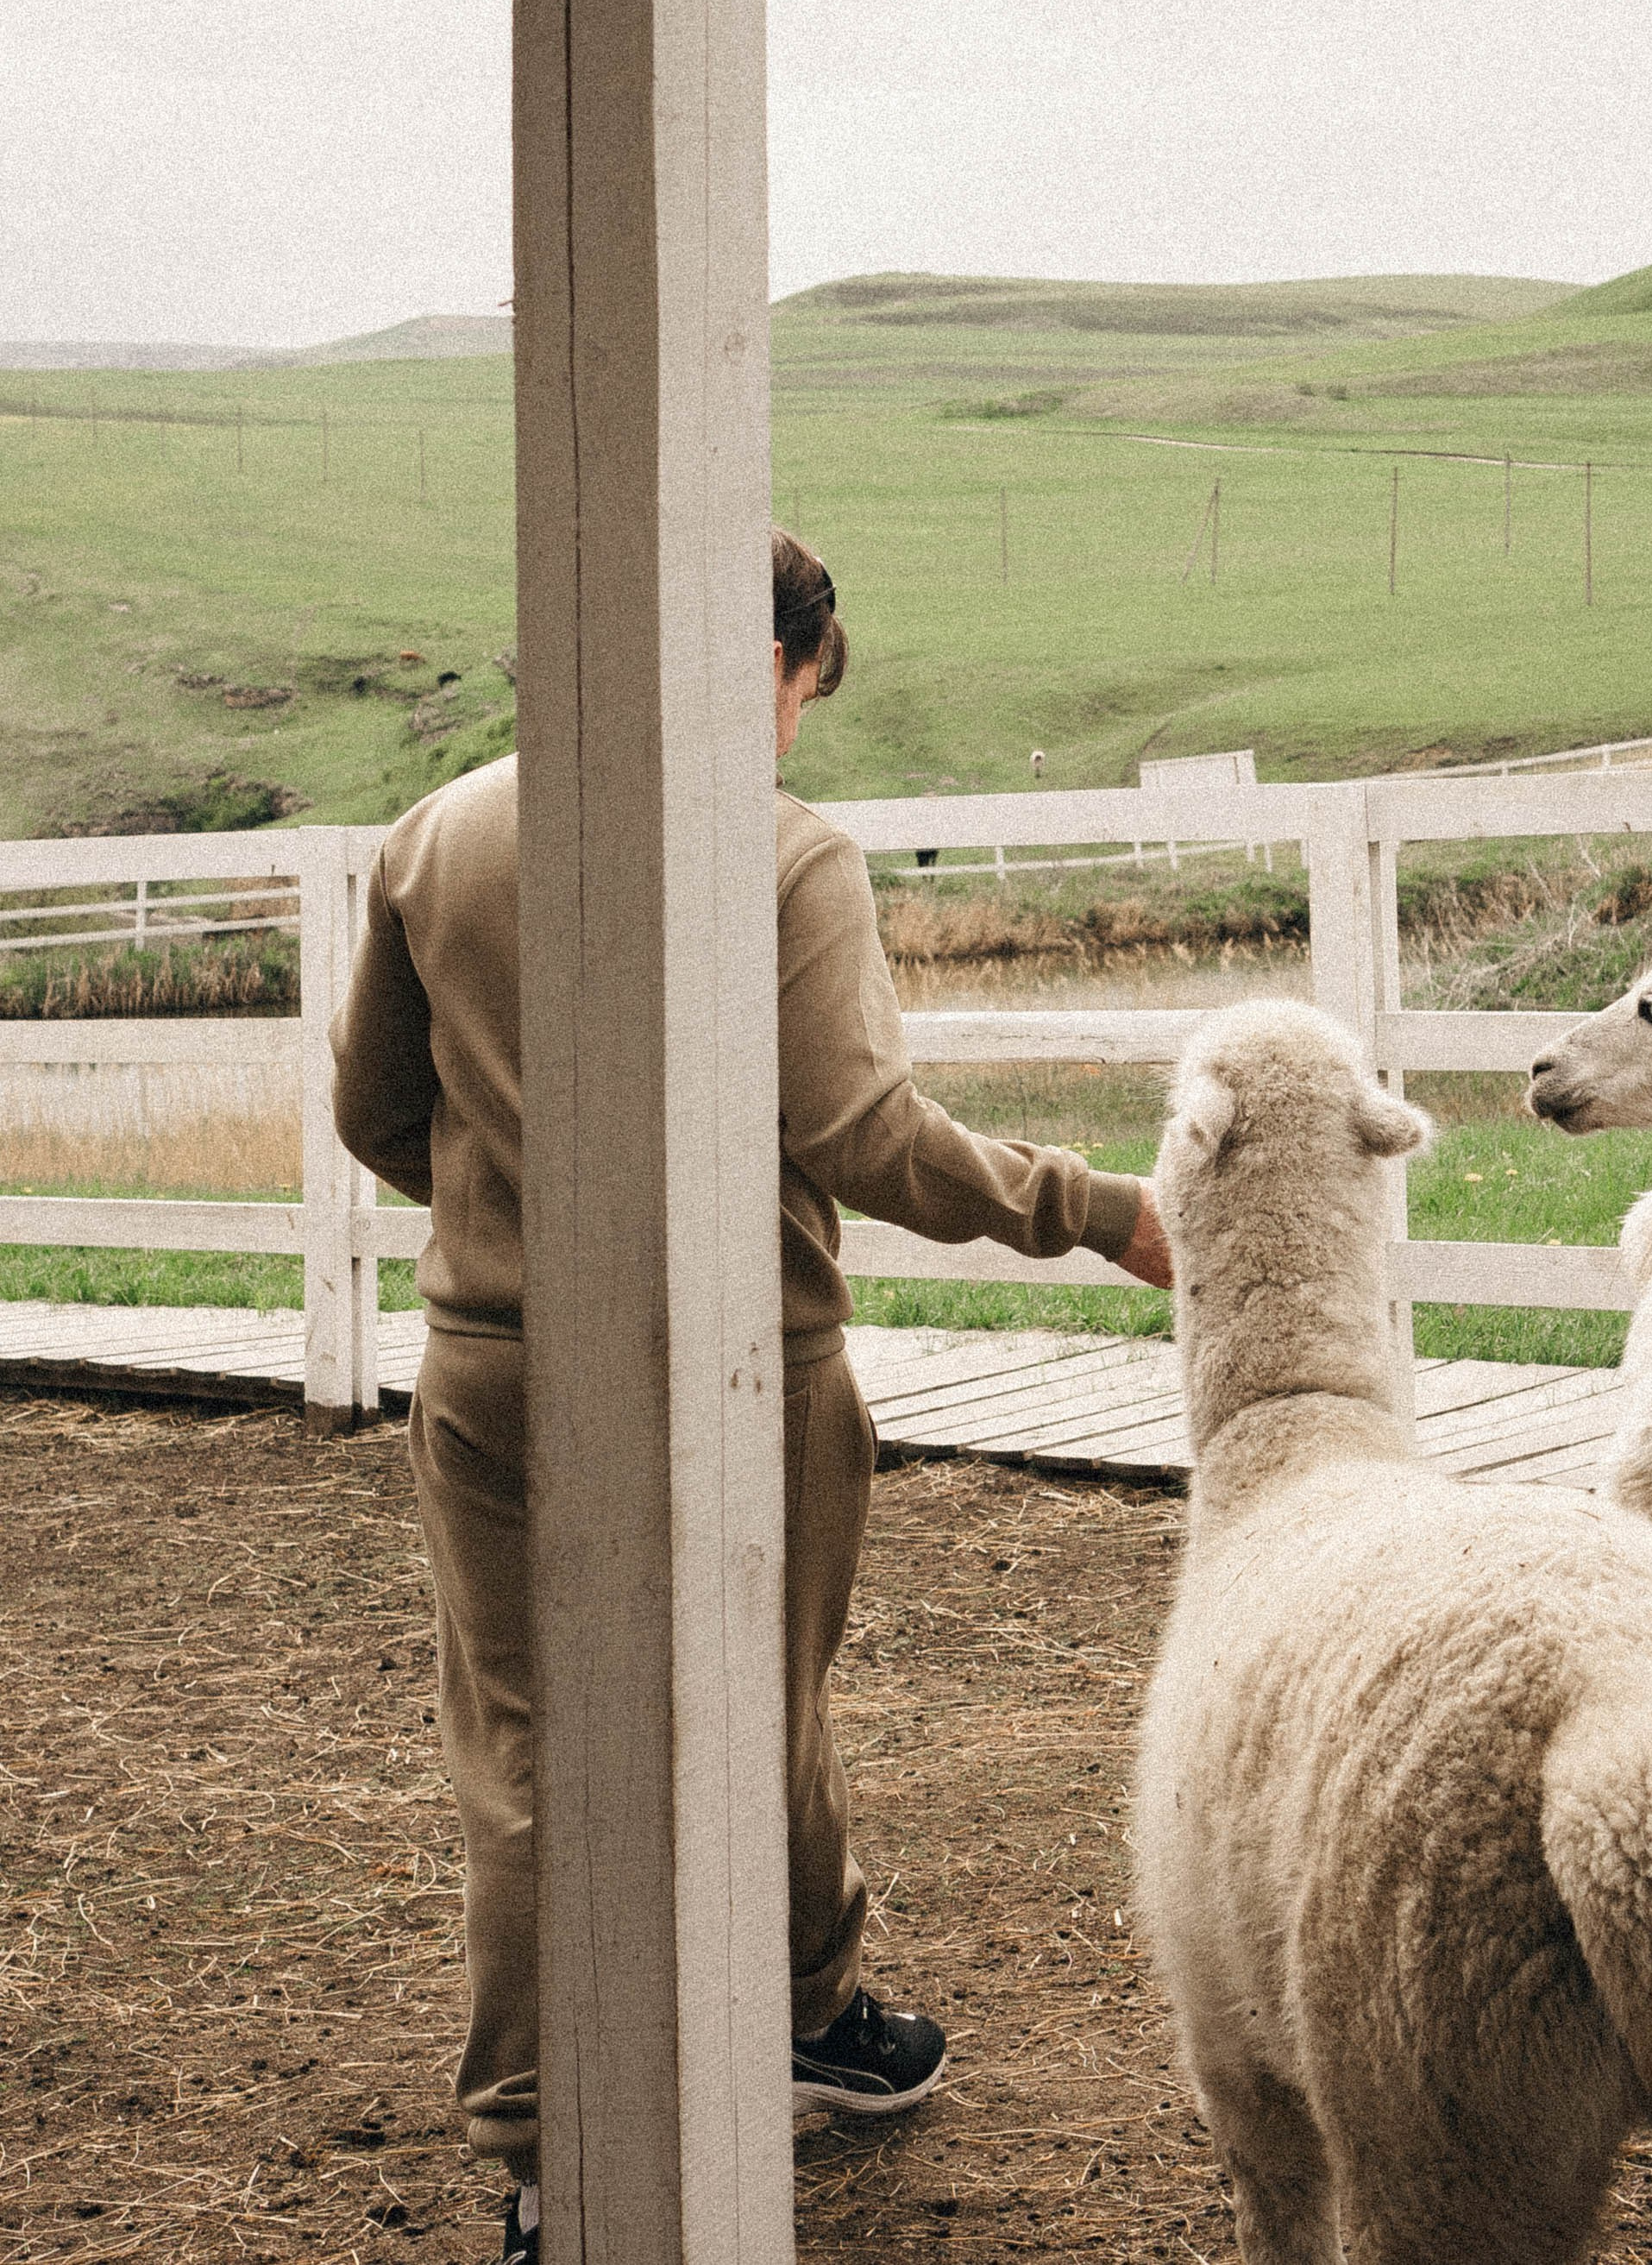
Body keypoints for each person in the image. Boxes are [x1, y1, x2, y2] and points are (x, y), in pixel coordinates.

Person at [330, 530, 1173, 2265]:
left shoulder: (436, 836)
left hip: (491, 1361)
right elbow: (860, 1134)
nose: (794, 730)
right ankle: (809, 2014)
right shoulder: (787, 858)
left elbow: (372, 1114)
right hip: (738, 1358)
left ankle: (546, 2154)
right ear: (774, 661)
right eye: (802, 687)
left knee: (525, 1748)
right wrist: (1085, 1206)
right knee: (757, 1701)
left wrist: (522, 1223)